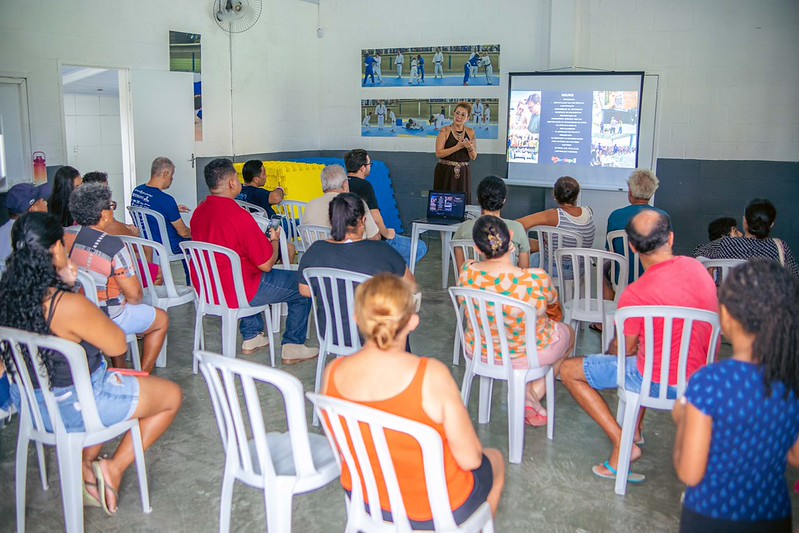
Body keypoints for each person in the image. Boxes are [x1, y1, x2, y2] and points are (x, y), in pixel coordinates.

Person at [0, 211, 181, 516]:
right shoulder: (65, 303)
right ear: (57, 248)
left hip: (34, 409)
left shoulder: (8, 297)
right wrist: (72, 287)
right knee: (171, 396)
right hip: (76, 407)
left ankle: (85, 463)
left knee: (112, 380)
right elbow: (116, 343)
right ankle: (113, 467)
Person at [321, 273, 505, 525]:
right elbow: (470, 459)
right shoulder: (431, 375)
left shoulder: (333, 371)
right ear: (413, 322)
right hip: (432, 509)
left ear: (357, 318)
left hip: (365, 500)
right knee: (494, 459)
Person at [559, 210, 718, 482]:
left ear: (632, 246)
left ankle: (623, 443)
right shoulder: (698, 269)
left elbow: (624, 351)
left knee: (568, 369)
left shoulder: (635, 295)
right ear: (671, 238)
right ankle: (634, 431)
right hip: (701, 379)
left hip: (653, 381)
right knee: (648, 351)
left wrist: (610, 350)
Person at [673, 259, 799, 533]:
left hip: (710, 516)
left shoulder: (709, 382)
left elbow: (689, 472)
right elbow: (796, 456)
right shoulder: (791, 381)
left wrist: (683, 417)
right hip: (775, 516)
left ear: (726, 315)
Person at [191, 158, 317, 363]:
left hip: (209, 289)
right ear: (232, 183)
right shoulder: (238, 216)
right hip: (241, 289)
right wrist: (274, 240)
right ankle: (293, 346)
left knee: (239, 269)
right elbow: (266, 263)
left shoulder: (199, 212)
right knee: (303, 284)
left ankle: (252, 336)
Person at [458, 216, 573, 426]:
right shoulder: (535, 278)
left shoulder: (467, 271)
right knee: (566, 333)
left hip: (480, 350)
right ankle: (531, 396)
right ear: (510, 237)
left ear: (477, 247)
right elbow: (555, 311)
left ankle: (528, 395)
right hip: (525, 354)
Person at [65, 183, 169, 373]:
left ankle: (119, 367)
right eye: (111, 206)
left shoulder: (65, 235)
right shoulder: (112, 245)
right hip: (106, 315)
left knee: (115, 299)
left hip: (74, 309)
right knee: (161, 319)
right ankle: (142, 375)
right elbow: (135, 296)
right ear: (104, 214)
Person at [298, 193, 416, 347]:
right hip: (376, 336)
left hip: (331, 334)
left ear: (332, 221)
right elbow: (409, 285)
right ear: (363, 221)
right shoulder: (382, 250)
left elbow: (305, 291)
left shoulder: (316, 249)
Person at [345, 149, 427, 265]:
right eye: (370, 164)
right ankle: (395, 272)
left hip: (350, 238)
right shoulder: (365, 186)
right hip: (371, 239)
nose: (370, 167)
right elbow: (376, 218)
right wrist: (386, 234)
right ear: (363, 168)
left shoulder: (342, 184)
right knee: (421, 247)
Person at [693, 198, 798, 277]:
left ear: (745, 221)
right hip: (767, 305)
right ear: (771, 225)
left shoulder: (726, 244)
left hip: (729, 303)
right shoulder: (781, 247)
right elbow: (795, 278)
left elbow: (697, 253)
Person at [517, 176, 595, 269]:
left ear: (554, 195)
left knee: (521, 254)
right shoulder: (589, 211)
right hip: (579, 268)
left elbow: (518, 225)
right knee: (538, 244)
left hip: (553, 268)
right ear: (577, 194)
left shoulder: (553, 215)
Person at [453, 176, 530, 270]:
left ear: (478, 199)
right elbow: (524, 268)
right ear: (504, 200)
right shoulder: (517, 228)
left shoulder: (464, 228)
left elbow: (461, 270)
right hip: (508, 283)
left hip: (472, 283)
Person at [606, 169, 666, 284]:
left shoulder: (615, 216)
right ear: (652, 193)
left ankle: (614, 301)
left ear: (630, 192)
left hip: (621, 280)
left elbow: (610, 251)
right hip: (652, 280)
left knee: (604, 271)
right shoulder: (663, 217)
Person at [130, 157, 191, 256]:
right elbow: (183, 232)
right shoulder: (166, 200)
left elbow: (151, 208)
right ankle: (191, 272)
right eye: (172, 175)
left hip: (146, 242)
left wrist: (174, 210)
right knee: (192, 243)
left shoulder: (137, 191)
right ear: (166, 174)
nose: (172, 179)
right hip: (166, 245)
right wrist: (196, 233)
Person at [301, 164, 380, 240]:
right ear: (345, 184)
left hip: (316, 252)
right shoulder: (356, 204)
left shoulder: (310, 205)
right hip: (352, 252)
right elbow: (375, 237)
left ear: (323, 186)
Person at [1, 182, 51, 273]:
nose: (45, 203)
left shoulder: (2, 231)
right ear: (33, 208)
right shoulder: (32, 237)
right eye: (41, 200)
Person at [434, 102, 477, 204]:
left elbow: (474, 156)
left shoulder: (470, 132)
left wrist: (470, 147)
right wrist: (457, 147)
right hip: (445, 172)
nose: (459, 117)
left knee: (462, 204)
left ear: (467, 118)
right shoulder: (445, 131)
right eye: (457, 113)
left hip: (463, 173)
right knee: (443, 204)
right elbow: (439, 153)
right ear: (453, 113)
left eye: (463, 115)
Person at [81, 171, 140, 238]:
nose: (107, 192)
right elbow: (114, 226)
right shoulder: (101, 217)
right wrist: (131, 231)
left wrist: (126, 226)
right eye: (105, 189)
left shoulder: (81, 210)